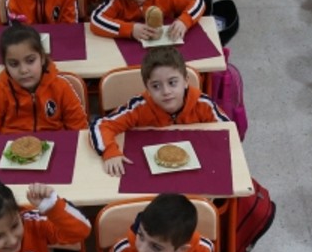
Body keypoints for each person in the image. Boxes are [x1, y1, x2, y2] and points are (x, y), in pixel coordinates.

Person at [90, 47, 228, 177]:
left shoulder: (204, 105)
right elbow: (100, 126)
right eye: (156, 86)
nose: (166, 92)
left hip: (193, 168)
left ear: (186, 81)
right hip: (148, 169)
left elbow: (227, 133)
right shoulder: (138, 107)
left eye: (172, 83)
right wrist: (110, 152)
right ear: (148, 89)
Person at [0, 25, 89, 136]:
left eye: (30, 61)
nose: (23, 70)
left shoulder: (62, 87)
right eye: (14, 64)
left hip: (57, 143)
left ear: (42, 58)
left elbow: (80, 129)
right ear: (5, 65)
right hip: (11, 145)